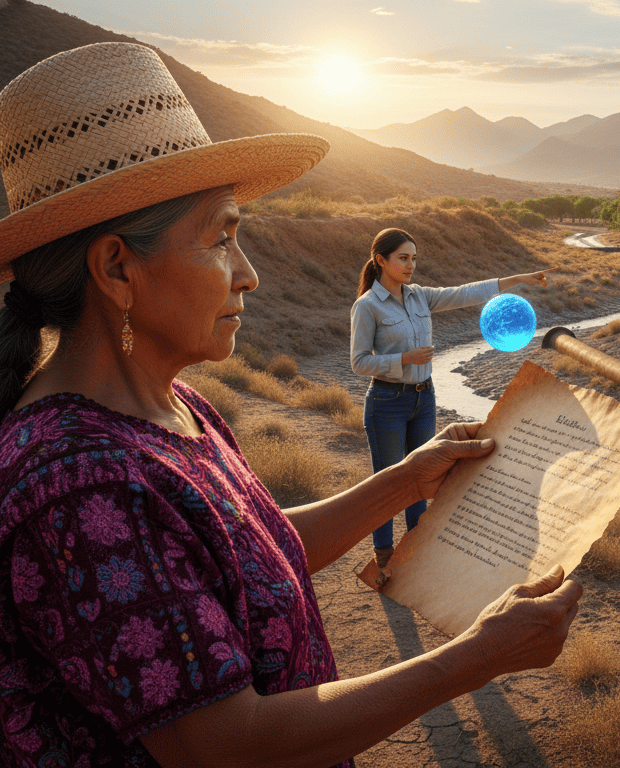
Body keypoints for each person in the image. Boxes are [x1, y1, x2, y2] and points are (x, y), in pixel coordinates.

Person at [0, 42, 580, 767]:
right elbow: (228, 745)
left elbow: (256, 553)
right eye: (224, 238)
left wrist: (408, 478)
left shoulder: (176, 410)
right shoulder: (81, 483)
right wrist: (473, 658)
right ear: (117, 267)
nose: (249, 277)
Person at [351, 228, 554, 581]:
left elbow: (466, 293)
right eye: (403, 257)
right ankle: (384, 559)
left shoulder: (420, 297)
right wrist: (404, 358)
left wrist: (519, 280)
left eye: (414, 257)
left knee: (422, 476)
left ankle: (416, 552)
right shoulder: (367, 306)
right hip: (387, 402)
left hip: (424, 399)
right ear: (381, 260)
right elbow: (357, 362)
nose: (410, 264)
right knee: (386, 483)